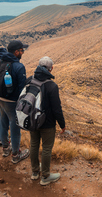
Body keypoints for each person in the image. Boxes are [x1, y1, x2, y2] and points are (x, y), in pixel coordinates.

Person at [29, 56, 65, 185]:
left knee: (33, 144)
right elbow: (57, 109)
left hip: (32, 120)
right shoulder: (51, 85)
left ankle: (34, 172)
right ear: (51, 69)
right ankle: (45, 176)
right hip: (47, 123)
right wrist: (62, 124)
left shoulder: (29, 80)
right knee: (46, 148)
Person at [0, 40, 30, 164]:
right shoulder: (19, 66)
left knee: (2, 122)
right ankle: (16, 154)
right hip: (12, 101)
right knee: (15, 126)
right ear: (16, 52)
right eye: (21, 50)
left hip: (0, 98)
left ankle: (5, 148)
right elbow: (21, 89)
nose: (23, 53)